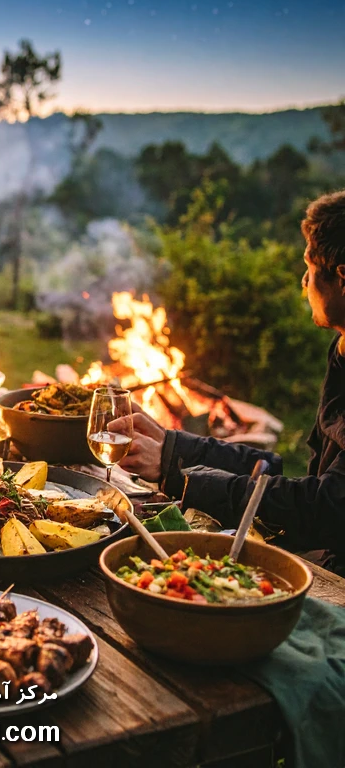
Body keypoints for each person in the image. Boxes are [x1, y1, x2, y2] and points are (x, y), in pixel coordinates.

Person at [110, 190, 345, 564]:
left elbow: (329, 510)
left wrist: (179, 475)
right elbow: (299, 480)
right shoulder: (342, 348)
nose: (304, 281)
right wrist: (174, 448)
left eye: (310, 267)